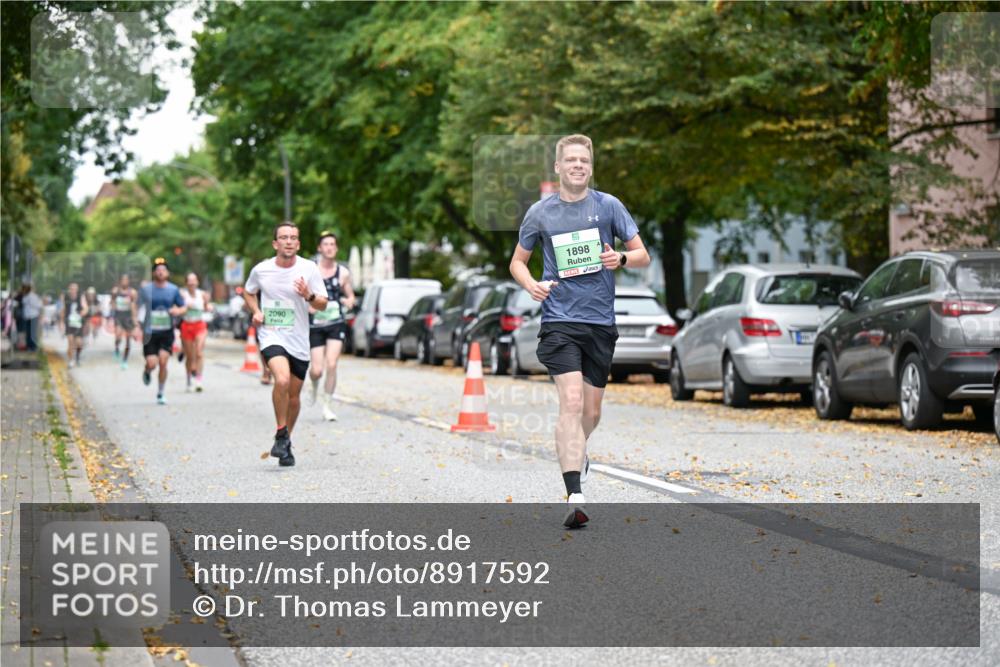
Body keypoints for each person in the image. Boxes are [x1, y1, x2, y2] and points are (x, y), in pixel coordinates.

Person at [509, 134, 650, 528]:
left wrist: (620, 257)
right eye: (570, 160)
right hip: (559, 321)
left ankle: (577, 454)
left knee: (591, 411)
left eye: (583, 161)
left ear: (590, 167)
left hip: (600, 322)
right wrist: (531, 284)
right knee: (570, 403)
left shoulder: (609, 207)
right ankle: (575, 493)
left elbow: (643, 255)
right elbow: (517, 262)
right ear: (557, 167)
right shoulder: (540, 212)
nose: (577, 166)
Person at [243, 221, 327, 467]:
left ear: (298, 243)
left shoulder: (309, 268)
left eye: (293, 237)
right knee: (281, 379)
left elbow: (323, 303)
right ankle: (281, 431)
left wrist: (308, 295)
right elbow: (249, 292)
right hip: (272, 335)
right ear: (275, 243)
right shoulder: (262, 270)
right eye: (283, 237)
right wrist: (256, 310)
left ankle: (285, 441)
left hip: (299, 339)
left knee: (293, 396)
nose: (288, 241)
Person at [307, 231, 356, 421]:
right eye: (326, 244)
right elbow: (303, 294)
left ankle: (327, 405)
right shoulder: (312, 270)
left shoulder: (342, 273)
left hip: (336, 322)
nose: (329, 247)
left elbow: (350, 295)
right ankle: (313, 384)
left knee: (332, 363)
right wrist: (308, 306)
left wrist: (349, 301)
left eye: (332, 244)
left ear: (336, 248)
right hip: (317, 325)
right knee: (317, 370)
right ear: (320, 248)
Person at [137, 258, 186, 405]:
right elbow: (137, 307)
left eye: (163, 270)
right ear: (153, 273)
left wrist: (177, 310)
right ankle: (147, 370)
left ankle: (160, 392)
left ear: (167, 273)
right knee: (152, 363)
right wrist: (135, 325)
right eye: (158, 270)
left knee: (163, 362)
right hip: (149, 332)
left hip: (166, 331)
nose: (160, 272)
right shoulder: (146, 290)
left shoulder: (173, 289)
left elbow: (183, 307)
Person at [180, 272, 213, 392]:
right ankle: (189, 379)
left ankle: (199, 380)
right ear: (186, 283)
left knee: (199, 352)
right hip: (186, 326)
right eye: (190, 281)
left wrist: (209, 307)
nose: (192, 283)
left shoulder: (202, 294)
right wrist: (183, 308)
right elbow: (178, 308)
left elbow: (206, 306)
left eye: (194, 280)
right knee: (189, 356)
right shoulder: (182, 294)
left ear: (197, 282)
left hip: (199, 325)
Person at [111, 274, 138, 369]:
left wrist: (135, 321)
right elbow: (112, 302)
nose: (124, 281)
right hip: (118, 316)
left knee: (128, 339)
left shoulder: (133, 292)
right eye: (123, 279)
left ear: (129, 281)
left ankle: (125, 360)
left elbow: (134, 306)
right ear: (120, 281)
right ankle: (117, 347)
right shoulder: (115, 291)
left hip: (128, 317)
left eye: (126, 279)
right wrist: (112, 311)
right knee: (118, 335)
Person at [61, 283, 89, 367]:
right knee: (70, 342)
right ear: (69, 289)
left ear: (77, 289)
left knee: (79, 342)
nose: (73, 290)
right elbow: (63, 309)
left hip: (78, 322)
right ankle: (70, 360)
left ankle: (77, 357)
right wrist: (61, 322)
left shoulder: (81, 296)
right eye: (71, 289)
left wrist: (83, 312)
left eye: (74, 289)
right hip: (68, 322)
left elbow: (86, 308)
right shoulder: (65, 297)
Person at [19, 282, 43, 351]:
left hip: (33, 316)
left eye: (23, 289)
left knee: (33, 332)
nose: (22, 290)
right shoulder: (25, 296)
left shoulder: (33, 296)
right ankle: (29, 346)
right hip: (28, 317)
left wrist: (31, 303)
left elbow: (39, 305)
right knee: (28, 332)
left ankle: (33, 347)